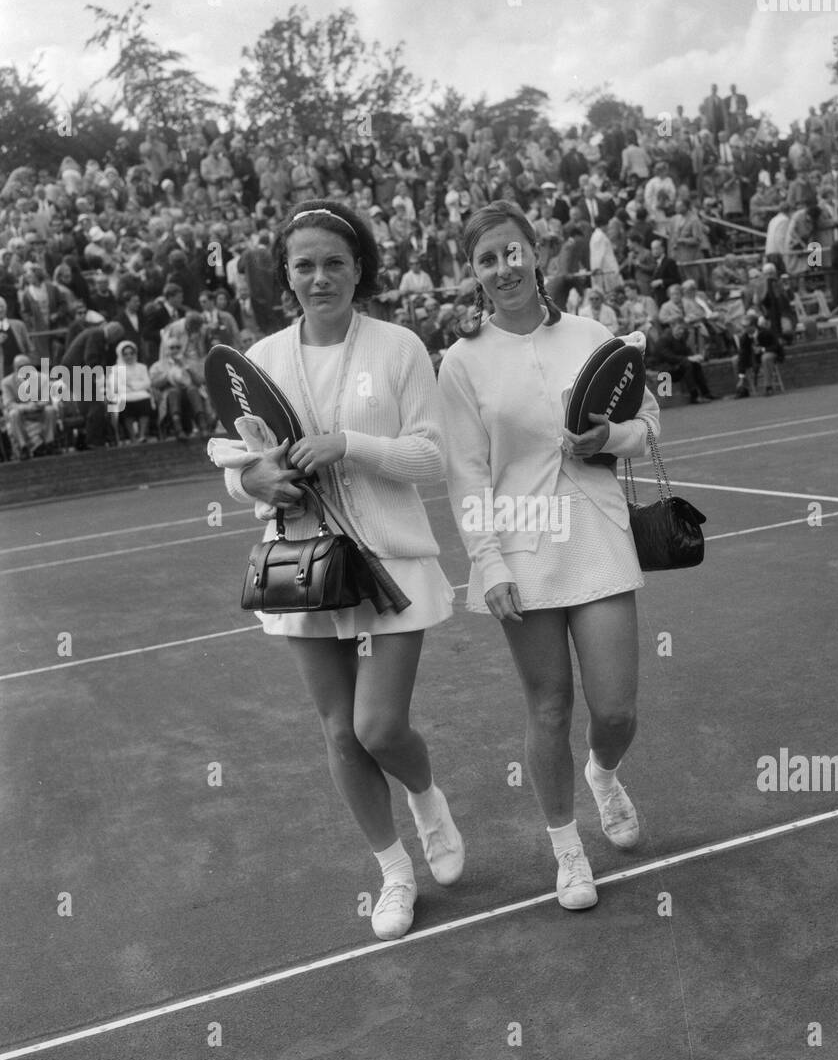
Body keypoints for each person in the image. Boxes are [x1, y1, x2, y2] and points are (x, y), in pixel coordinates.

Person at [217, 200, 462, 942]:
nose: (319, 277)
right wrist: (250, 484)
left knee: (379, 725)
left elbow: (431, 455)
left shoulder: (399, 348)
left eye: (333, 262)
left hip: (390, 557)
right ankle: (393, 872)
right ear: (285, 275)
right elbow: (238, 458)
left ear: (359, 268)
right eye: (304, 265)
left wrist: (346, 444)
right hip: (301, 561)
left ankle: (426, 799)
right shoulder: (260, 358)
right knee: (339, 731)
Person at [438, 201, 660, 913]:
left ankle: (603, 773)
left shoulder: (593, 334)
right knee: (549, 705)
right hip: (518, 544)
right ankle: (568, 851)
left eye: (512, 252)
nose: (503, 268)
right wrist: (488, 562)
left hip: (595, 531)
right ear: (471, 273)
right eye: (485, 259)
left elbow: (647, 421)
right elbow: (465, 474)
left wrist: (608, 441)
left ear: (537, 254)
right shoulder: (462, 362)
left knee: (617, 708)